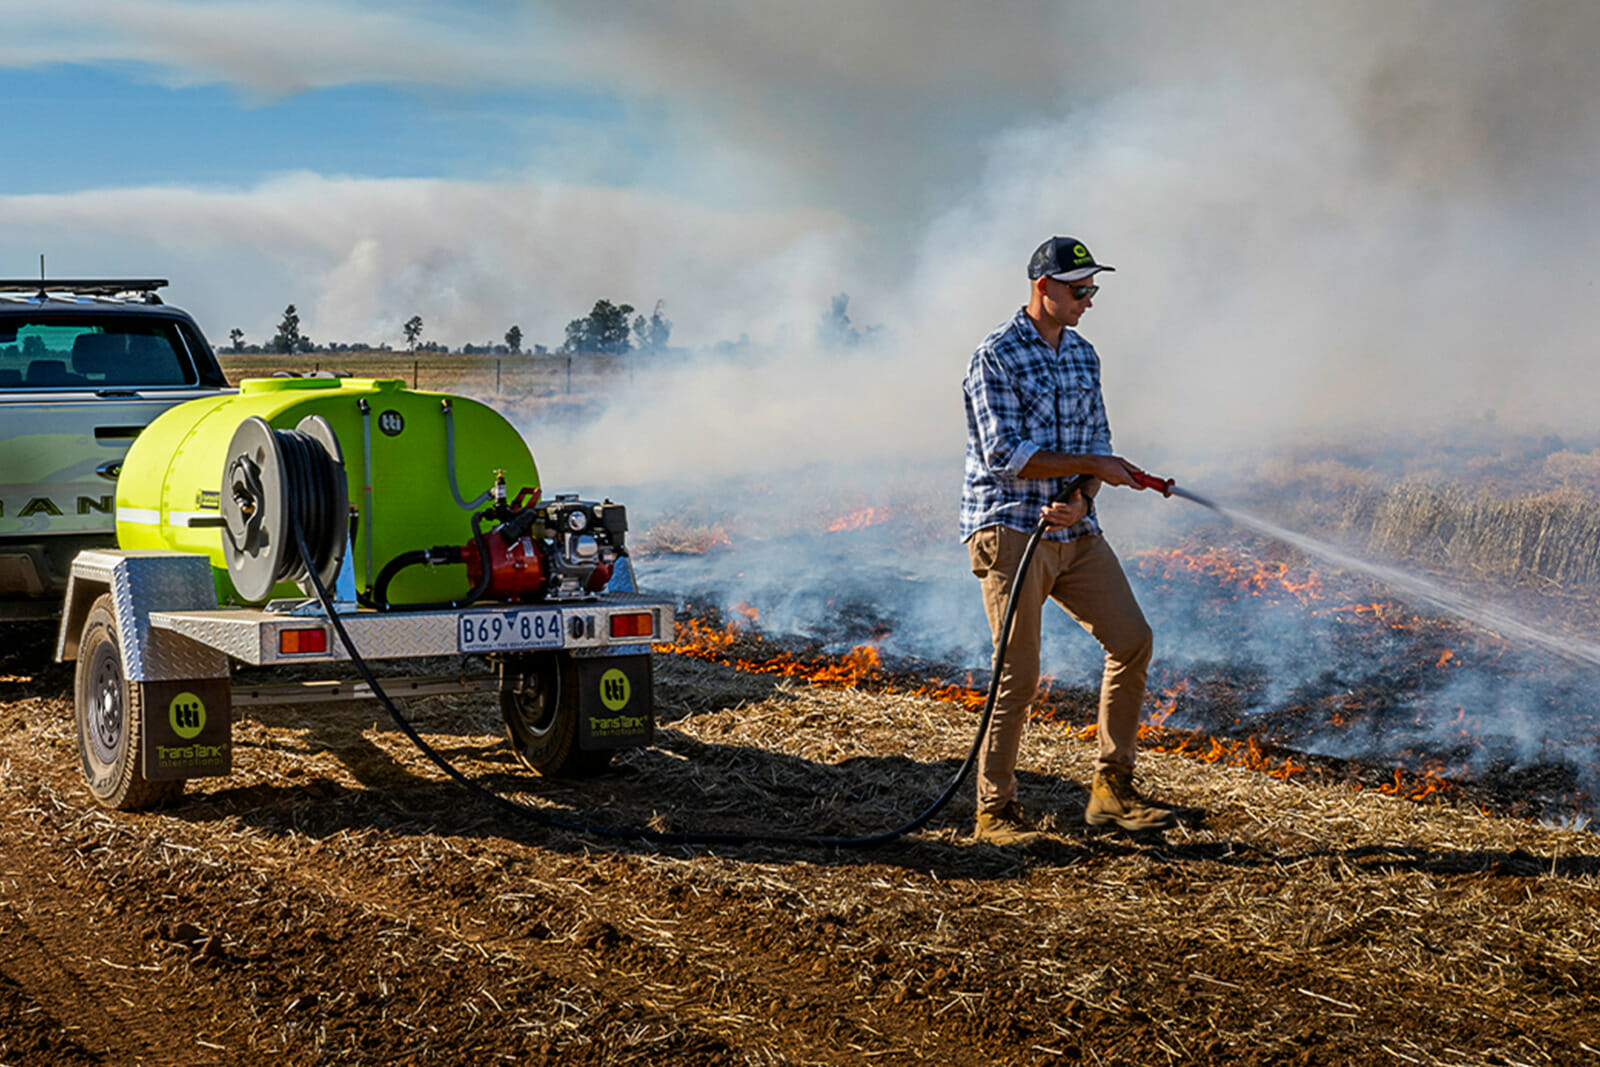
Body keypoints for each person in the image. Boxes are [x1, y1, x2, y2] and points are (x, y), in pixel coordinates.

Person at [961, 235, 1177, 844]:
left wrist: (1084, 495)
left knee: (1132, 641)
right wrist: (1089, 467)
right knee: (1018, 675)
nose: (1088, 300)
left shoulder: (1083, 355)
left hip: (1077, 530)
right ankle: (993, 814)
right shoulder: (996, 356)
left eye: (1092, 289)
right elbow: (1005, 454)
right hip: (1011, 529)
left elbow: (1097, 442)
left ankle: (1111, 791)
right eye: (1079, 290)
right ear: (1043, 287)